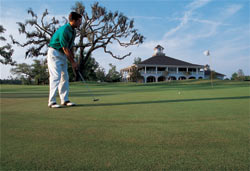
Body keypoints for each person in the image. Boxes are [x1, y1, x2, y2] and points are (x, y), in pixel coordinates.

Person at [47, 12, 82, 108]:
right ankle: (52, 101)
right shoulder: (65, 30)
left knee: (64, 77)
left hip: (62, 54)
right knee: (56, 76)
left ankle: (65, 100)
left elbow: (70, 47)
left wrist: (73, 60)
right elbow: (65, 48)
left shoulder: (73, 31)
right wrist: (72, 62)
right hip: (54, 53)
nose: (80, 23)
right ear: (73, 21)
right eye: (79, 21)